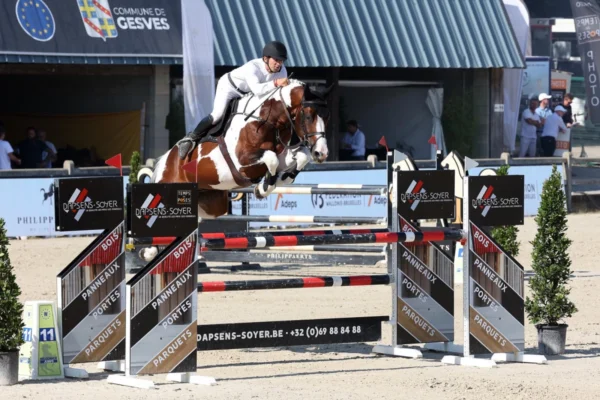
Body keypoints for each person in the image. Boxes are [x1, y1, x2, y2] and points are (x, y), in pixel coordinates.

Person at [178, 41, 290, 159]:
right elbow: (258, 90)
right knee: (217, 115)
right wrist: (276, 83)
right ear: (266, 58)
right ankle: (191, 138)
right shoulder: (253, 67)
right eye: (276, 60)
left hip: (247, 94)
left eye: (281, 61)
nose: (279, 64)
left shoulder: (282, 71)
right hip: (229, 87)